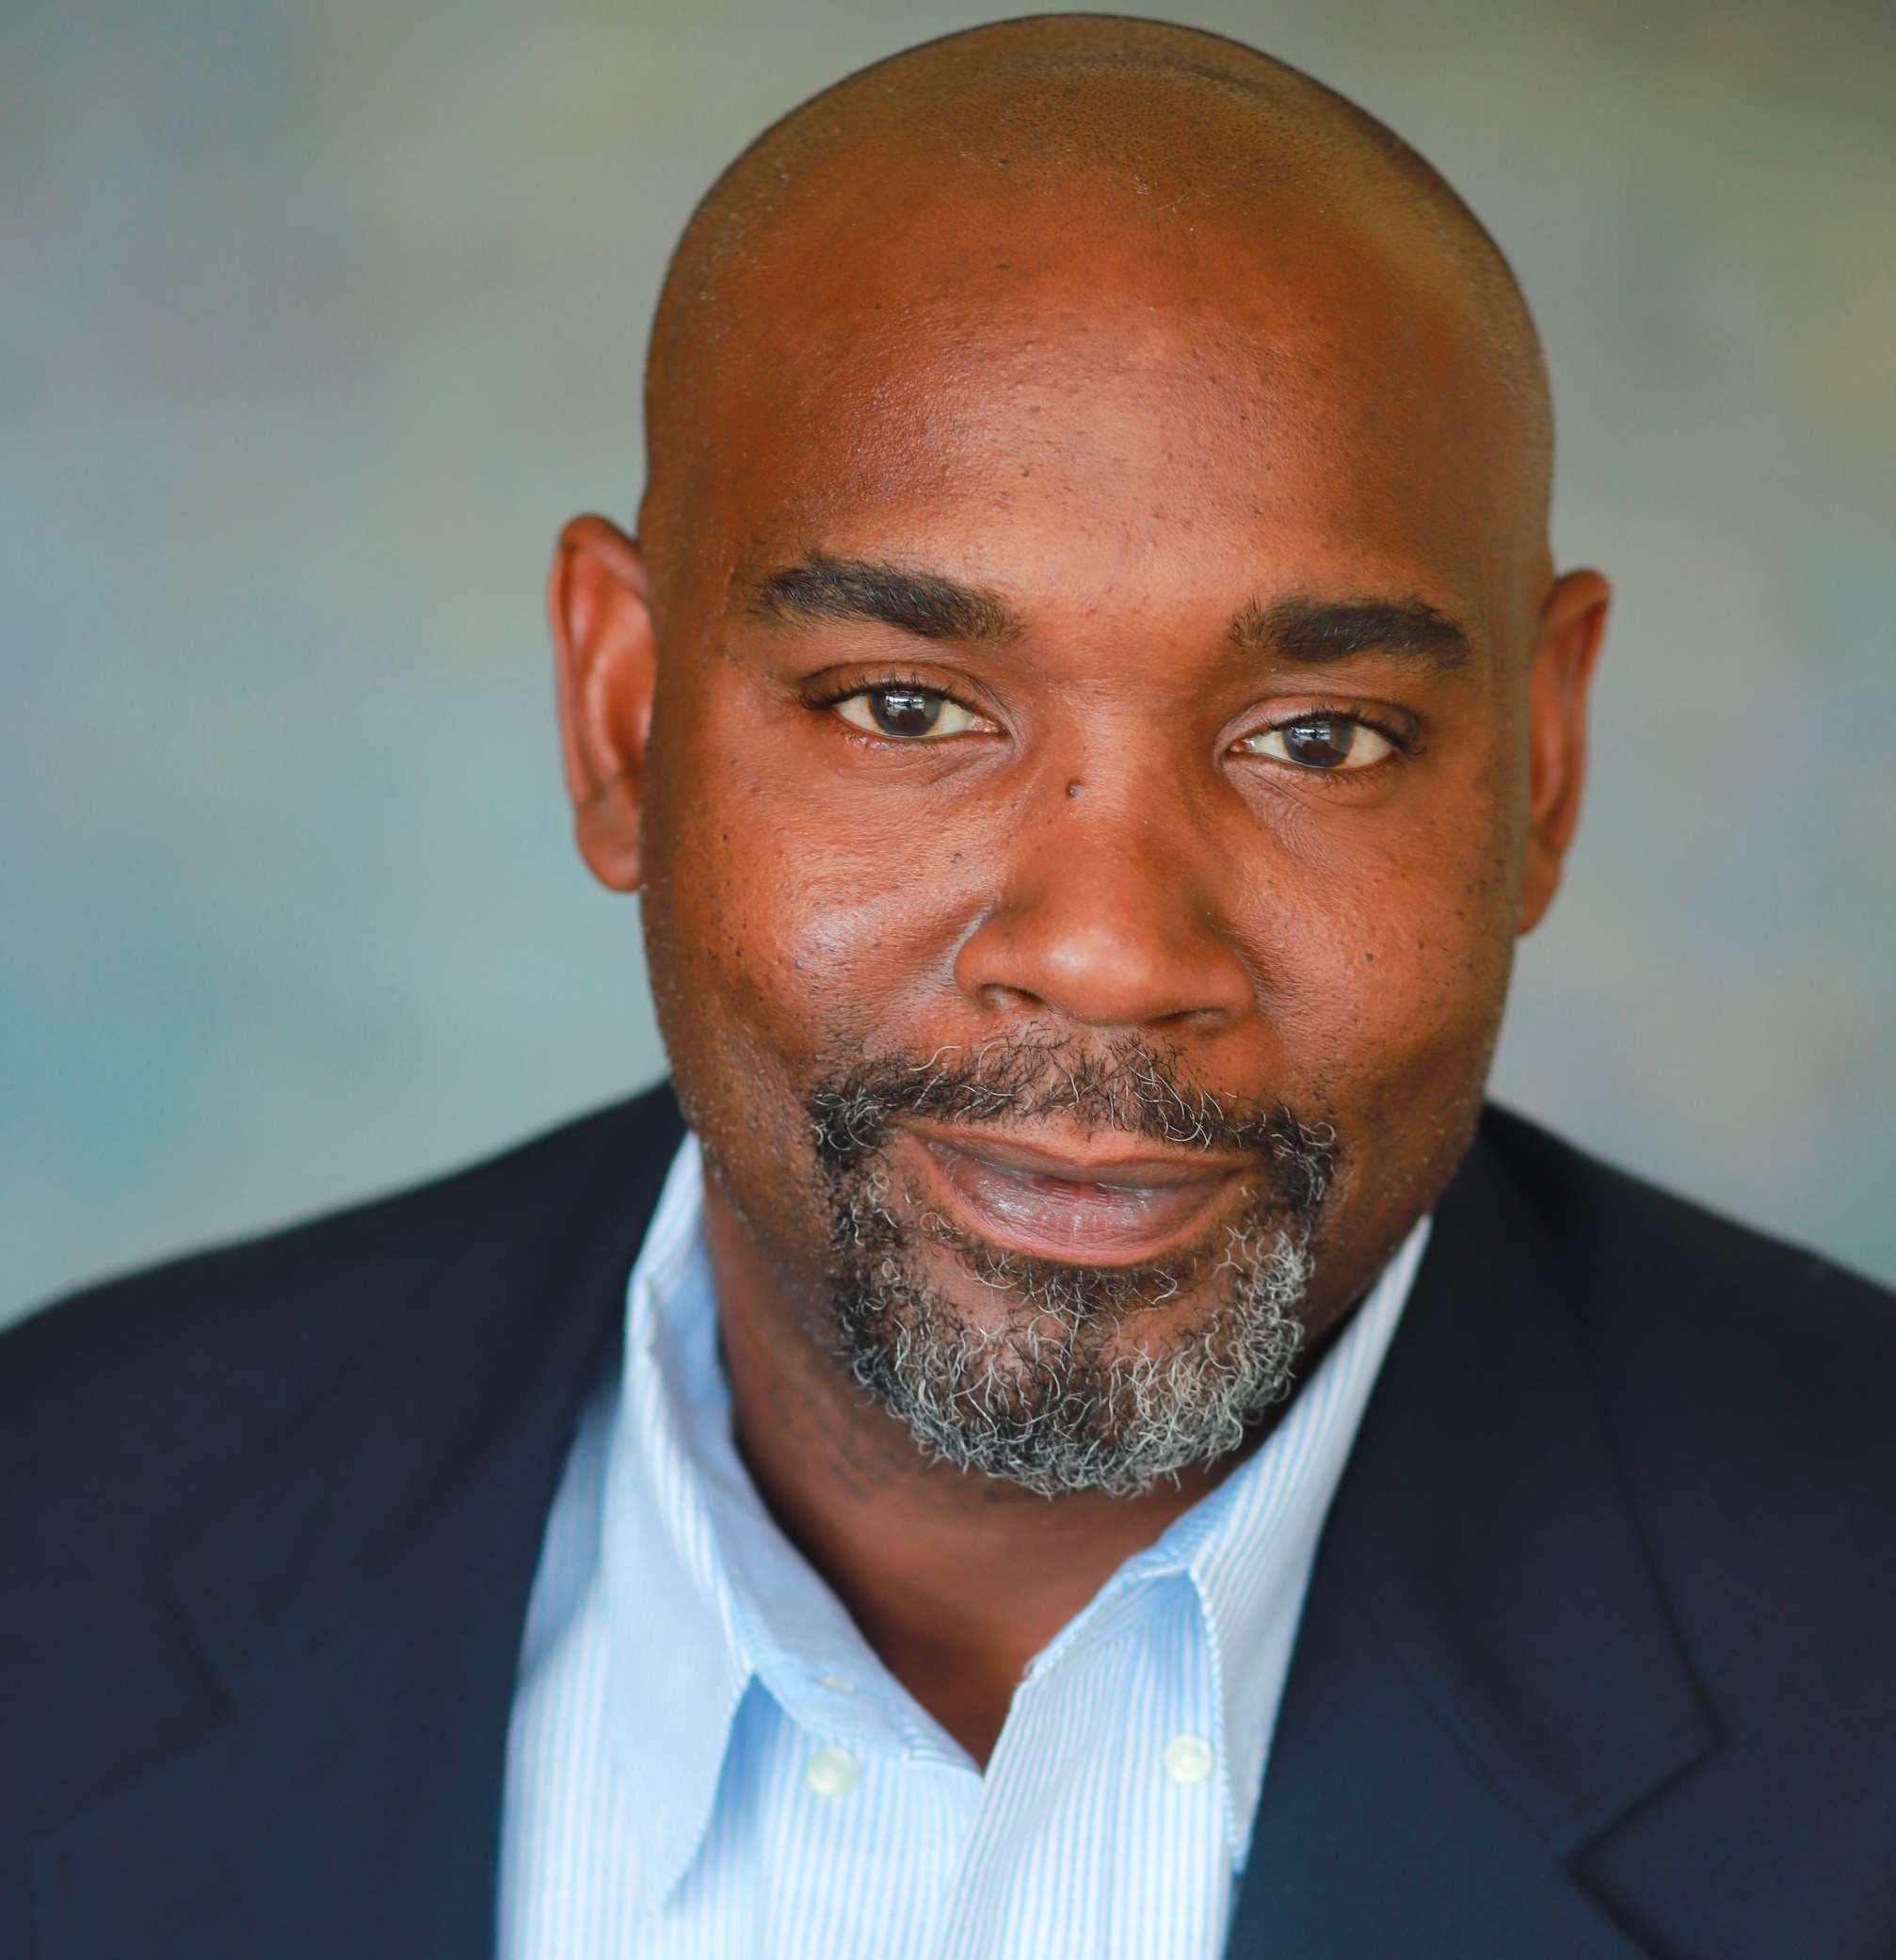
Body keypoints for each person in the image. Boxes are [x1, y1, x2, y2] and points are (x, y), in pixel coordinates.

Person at [5, 15, 1890, 1959]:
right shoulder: (55, 1539)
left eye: (1316, 737)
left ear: (1543, 764)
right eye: (904, 708)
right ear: (622, 717)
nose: (1109, 952)